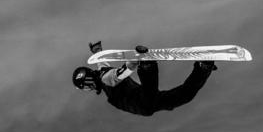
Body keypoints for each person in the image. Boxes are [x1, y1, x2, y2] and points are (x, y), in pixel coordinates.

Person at [72, 41, 217, 117]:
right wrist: (97, 50)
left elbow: (115, 77)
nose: (88, 89)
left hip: (143, 103)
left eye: (84, 87)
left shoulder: (104, 78)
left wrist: (130, 65)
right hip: (148, 101)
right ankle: (203, 68)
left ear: (87, 82)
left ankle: (147, 66)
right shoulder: (101, 72)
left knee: (151, 90)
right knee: (184, 95)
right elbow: (102, 62)